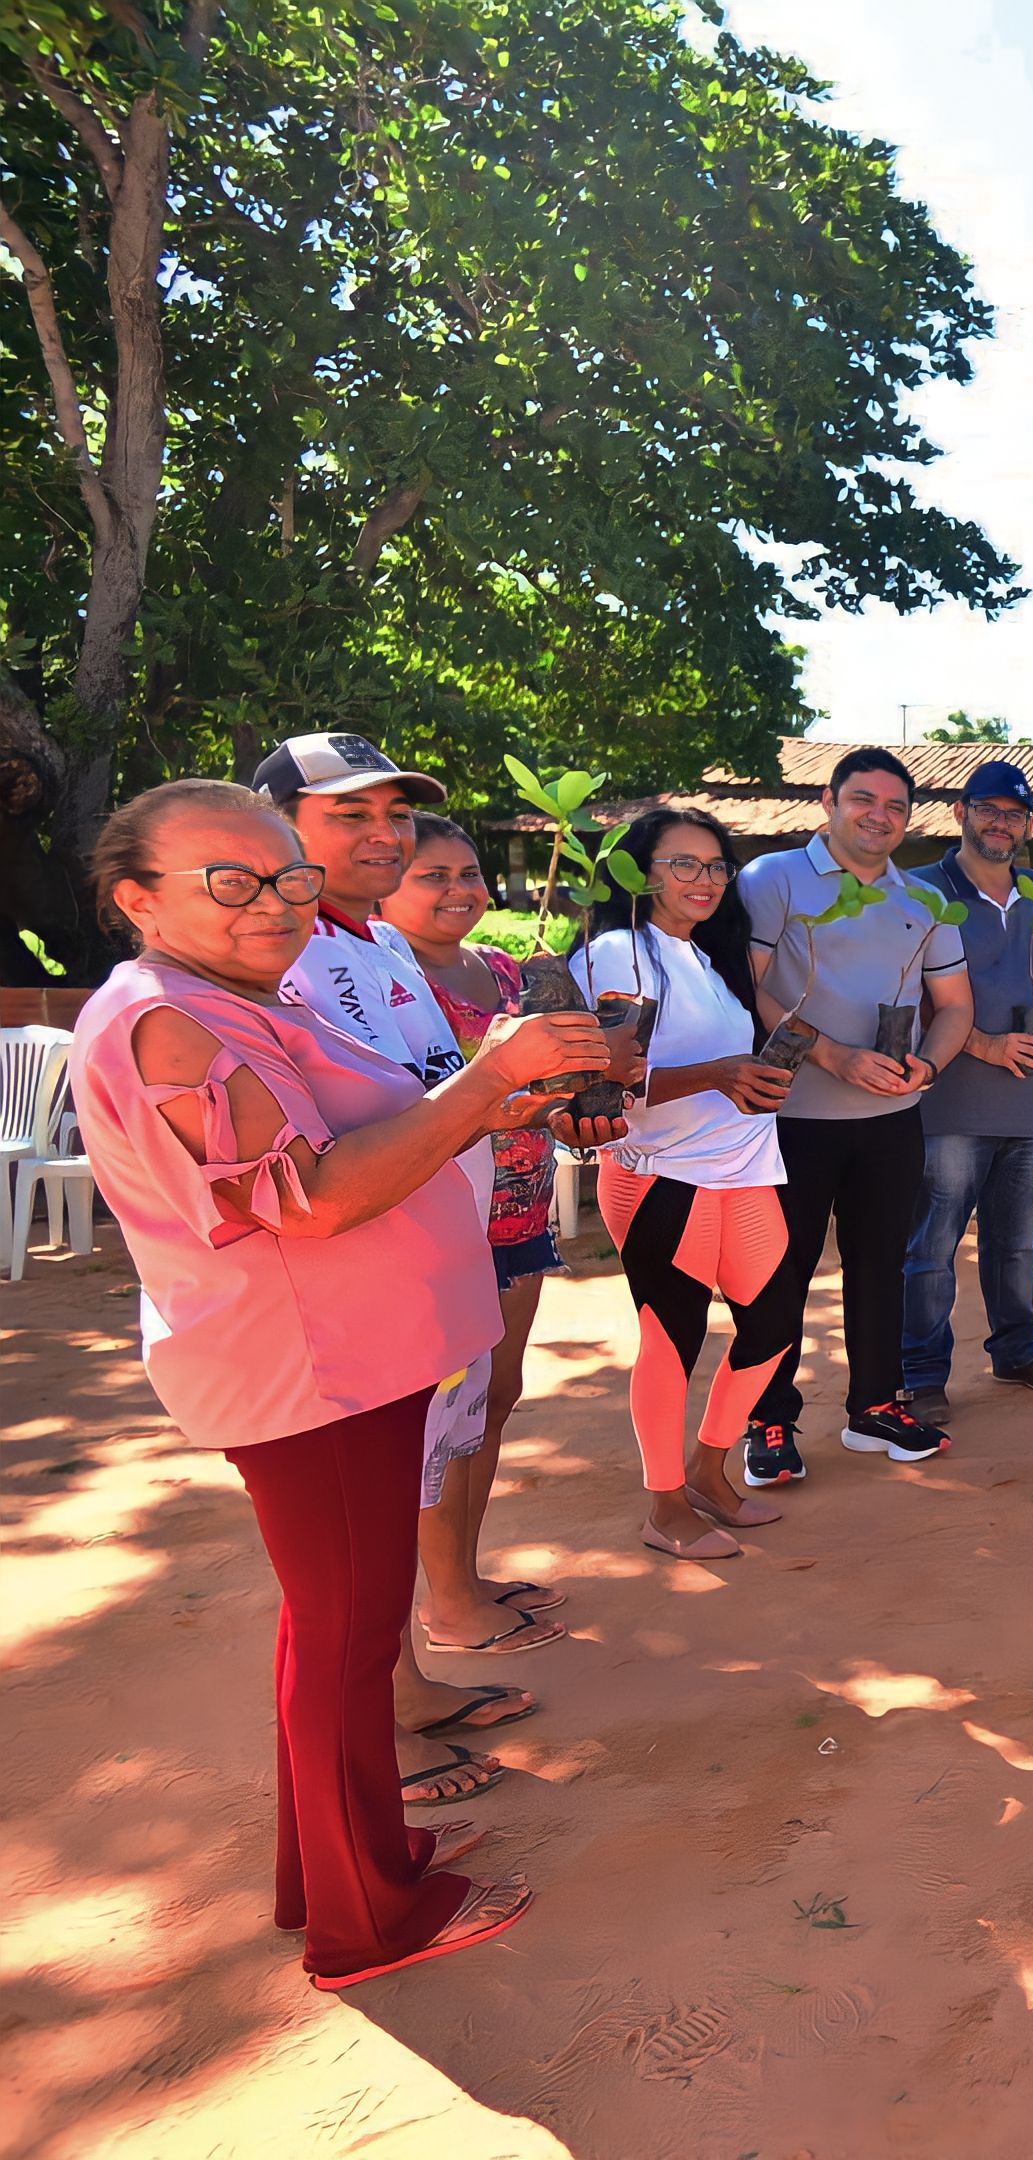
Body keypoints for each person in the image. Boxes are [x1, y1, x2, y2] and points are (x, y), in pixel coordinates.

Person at [71, 780, 600, 1984]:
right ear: (136, 900)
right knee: (348, 1636)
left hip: (349, 1357)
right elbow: (303, 1198)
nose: (275, 904)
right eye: (232, 883)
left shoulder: (226, 999)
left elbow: (365, 1133)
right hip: (311, 1368)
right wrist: (480, 1087)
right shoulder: (169, 1021)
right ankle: (365, 1923)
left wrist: (493, 1099)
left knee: (343, 1632)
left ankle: (339, 1864)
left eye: (288, 879)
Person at [255, 734, 589, 1807]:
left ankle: (399, 1688)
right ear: (275, 829)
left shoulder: (376, 946)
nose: (385, 836)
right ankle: (365, 1771)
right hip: (347, 1286)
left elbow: (434, 1098)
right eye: (349, 815)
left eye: (395, 815)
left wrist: (529, 1093)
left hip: (429, 1264)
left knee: (399, 1490)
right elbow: (320, 1161)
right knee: (344, 1543)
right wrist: (501, 1076)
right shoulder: (277, 955)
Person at [572, 810, 803, 1558]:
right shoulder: (618, 955)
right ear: (640, 872)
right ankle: (664, 1503)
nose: (705, 880)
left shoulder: (703, 956)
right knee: (672, 1339)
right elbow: (599, 1085)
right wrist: (716, 1074)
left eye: (716, 866)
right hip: (662, 1175)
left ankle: (711, 1467)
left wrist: (753, 1079)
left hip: (744, 1169)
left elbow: (721, 1066)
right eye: (683, 864)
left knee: (770, 1328)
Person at [739, 747, 973, 1478]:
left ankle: (876, 1406)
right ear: (828, 802)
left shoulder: (925, 901)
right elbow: (748, 991)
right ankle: (768, 1420)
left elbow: (956, 1006)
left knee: (881, 1266)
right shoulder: (771, 879)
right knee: (780, 1272)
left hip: (889, 1122)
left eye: (896, 806)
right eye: (863, 800)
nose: (880, 816)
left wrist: (927, 1065)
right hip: (788, 1117)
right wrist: (835, 1057)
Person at [378, 814, 568, 1679]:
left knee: (494, 1400)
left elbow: (532, 1090)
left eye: (470, 872)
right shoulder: (377, 976)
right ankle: (447, 1604)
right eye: (434, 875)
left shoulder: (501, 970)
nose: (461, 890)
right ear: (383, 881)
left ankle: (464, 1574)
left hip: (522, 1205)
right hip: (443, 1214)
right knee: (439, 1422)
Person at [898, 761, 1033, 1419]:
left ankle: (1016, 1350)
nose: (1002, 824)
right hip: (948, 1100)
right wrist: (983, 1045)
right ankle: (919, 1373)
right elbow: (902, 995)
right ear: (960, 812)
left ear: (1028, 824)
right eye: (989, 810)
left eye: (1015, 814)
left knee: (1017, 1240)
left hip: (1032, 1103)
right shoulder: (922, 892)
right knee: (933, 1243)